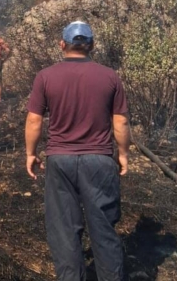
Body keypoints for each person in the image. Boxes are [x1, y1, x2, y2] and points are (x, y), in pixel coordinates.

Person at [25, 21, 131, 281]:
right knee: (104, 228)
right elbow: (121, 122)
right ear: (91, 45)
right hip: (99, 160)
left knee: (64, 230)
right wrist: (123, 154)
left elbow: (34, 120)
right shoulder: (109, 76)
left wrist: (31, 153)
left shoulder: (46, 76)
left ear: (62, 44)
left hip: (60, 160)